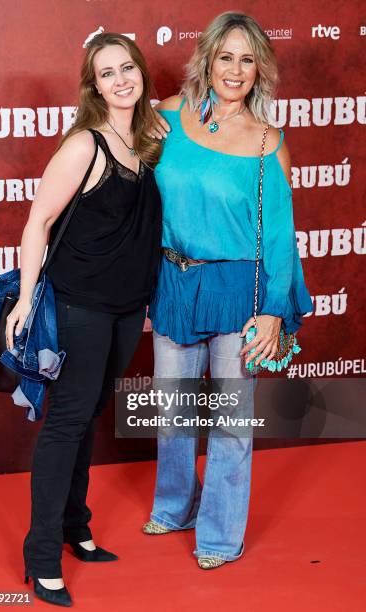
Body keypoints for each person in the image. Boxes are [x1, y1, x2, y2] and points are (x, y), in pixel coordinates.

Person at [143, 12, 313, 569]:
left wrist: (271, 313)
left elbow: (281, 240)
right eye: (226, 57)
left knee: (230, 422)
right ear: (207, 61)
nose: (235, 69)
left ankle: (219, 536)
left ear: (259, 69)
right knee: (172, 411)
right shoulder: (168, 114)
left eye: (248, 59)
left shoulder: (268, 143)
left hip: (238, 288)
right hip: (175, 280)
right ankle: (175, 505)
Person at [5, 33, 162, 606]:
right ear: (93, 85)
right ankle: (42, 554)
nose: (120, 79)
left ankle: (76, 525)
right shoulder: (84, 145)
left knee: (90, 412)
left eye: (127, 68)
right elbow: (37, 221)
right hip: (79, 303)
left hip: (127, 307)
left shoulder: (147, 138)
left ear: (141, 72)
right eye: (106, 73)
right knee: (68, 422)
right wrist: (25, 299)